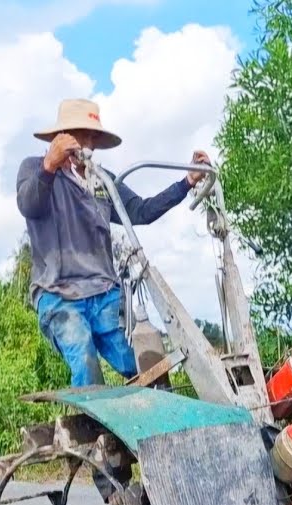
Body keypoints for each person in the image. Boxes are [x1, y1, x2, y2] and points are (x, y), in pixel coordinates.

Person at [16, 98, 210, 386]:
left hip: (104, 292)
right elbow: (28, 204)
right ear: (62, 136)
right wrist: (48, 166)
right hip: (59, 294)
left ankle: (160, 420)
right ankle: (92, 424)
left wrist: (187, 183)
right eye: (82, 134)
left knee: (144, 363)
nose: (89, 141)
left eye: (93, 135)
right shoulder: (35, 169)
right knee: (83, 355)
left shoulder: (103, 181)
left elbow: (142, 211)